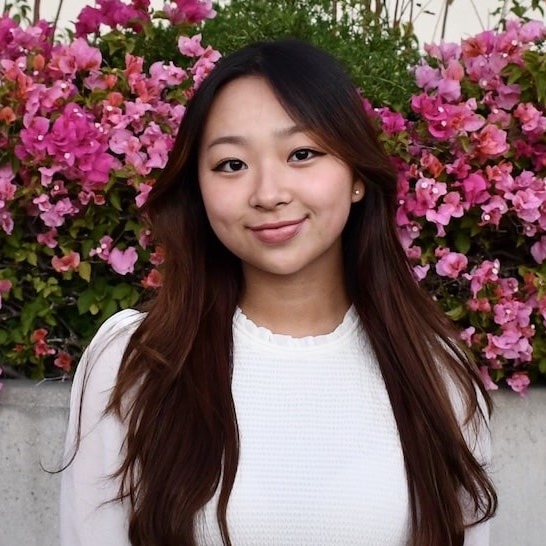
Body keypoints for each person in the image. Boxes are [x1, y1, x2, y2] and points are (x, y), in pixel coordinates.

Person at [60, 39, 497, 546]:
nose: (268, 193)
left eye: (302, 154)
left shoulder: (436, 373)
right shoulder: (135, 363)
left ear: (356, 175)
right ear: (197, 189)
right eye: (231, 164)